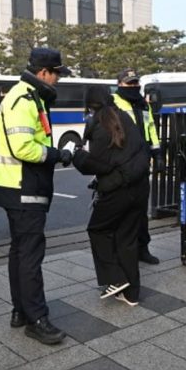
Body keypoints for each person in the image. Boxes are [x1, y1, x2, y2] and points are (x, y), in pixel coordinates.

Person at [0, 47, 73, 345]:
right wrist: (57, 154)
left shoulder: (25, 96)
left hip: (14, 186)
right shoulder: (23, 99)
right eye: (57, 73)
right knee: (30, 255)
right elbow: (22, 148)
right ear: (43, 73)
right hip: (23, 187)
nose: (59, 79)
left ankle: (20, 311)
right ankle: (37, 319)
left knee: (20, 251)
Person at [72, 86, 150, 305]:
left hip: (117, 191)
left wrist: (77, 155)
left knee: (98, 229)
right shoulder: (124, 117)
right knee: (127, 238)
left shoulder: (100, 124)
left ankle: (116, 278)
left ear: (89, 105)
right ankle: (131, 293)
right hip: (140, 187)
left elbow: (99, 164)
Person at [113, 69, 164, 265]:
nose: (133, 86)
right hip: (123, 163)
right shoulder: (114, 103)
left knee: (141, 209)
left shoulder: (143, 104)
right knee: (123, 210)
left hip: (142, 162)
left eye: (135, 83)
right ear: (119, 84)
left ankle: (143, 248)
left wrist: (157, 153)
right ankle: (126, 250)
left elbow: (151, 128)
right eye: (129, 83)